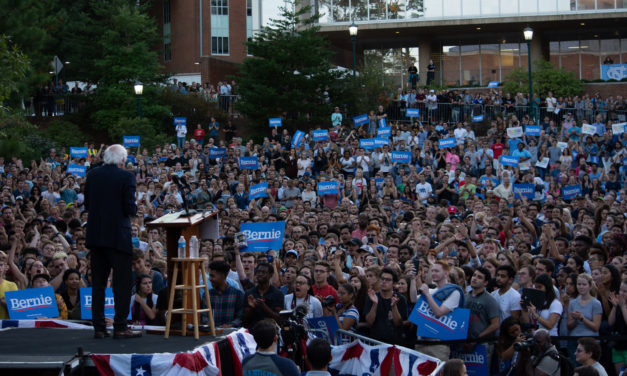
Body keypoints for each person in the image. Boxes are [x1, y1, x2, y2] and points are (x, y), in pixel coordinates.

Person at [85, 144, 141, 339]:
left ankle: (99, 328)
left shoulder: (92, 175)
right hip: (118, 237)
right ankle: (120, 326)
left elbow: (87, 204)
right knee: (122, 283)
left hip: (96, 235)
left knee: (98, 284)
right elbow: (130, 208)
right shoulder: (127, 177)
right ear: (123, 160)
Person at [364, 267, 408, 345]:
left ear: (394, 283)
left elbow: (398, 323)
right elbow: (369, 322)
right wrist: (375, 304)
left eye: (388, 280)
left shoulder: (400, 299)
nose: (384, 282)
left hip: (394, 344)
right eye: (382, 279)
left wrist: (394, 307)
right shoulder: (372, 297)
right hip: (375, 342)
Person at [242, 263, 284, 328]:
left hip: (271, 330)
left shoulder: (278, 293)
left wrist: (263, 306)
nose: (260, 274)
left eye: (263, 272)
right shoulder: (249, 293)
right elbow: (244, 320)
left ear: (270, 275)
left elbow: (279, 318)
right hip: (253, 330)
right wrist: (251, 307)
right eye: (258, 272)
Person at [207, 260, 245, 327]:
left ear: (223, 275)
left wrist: (230, 325)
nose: (210, 279)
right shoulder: (207, 295)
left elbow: (240, 317)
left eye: (212, 276)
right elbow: (204, 316)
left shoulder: (238, 294)